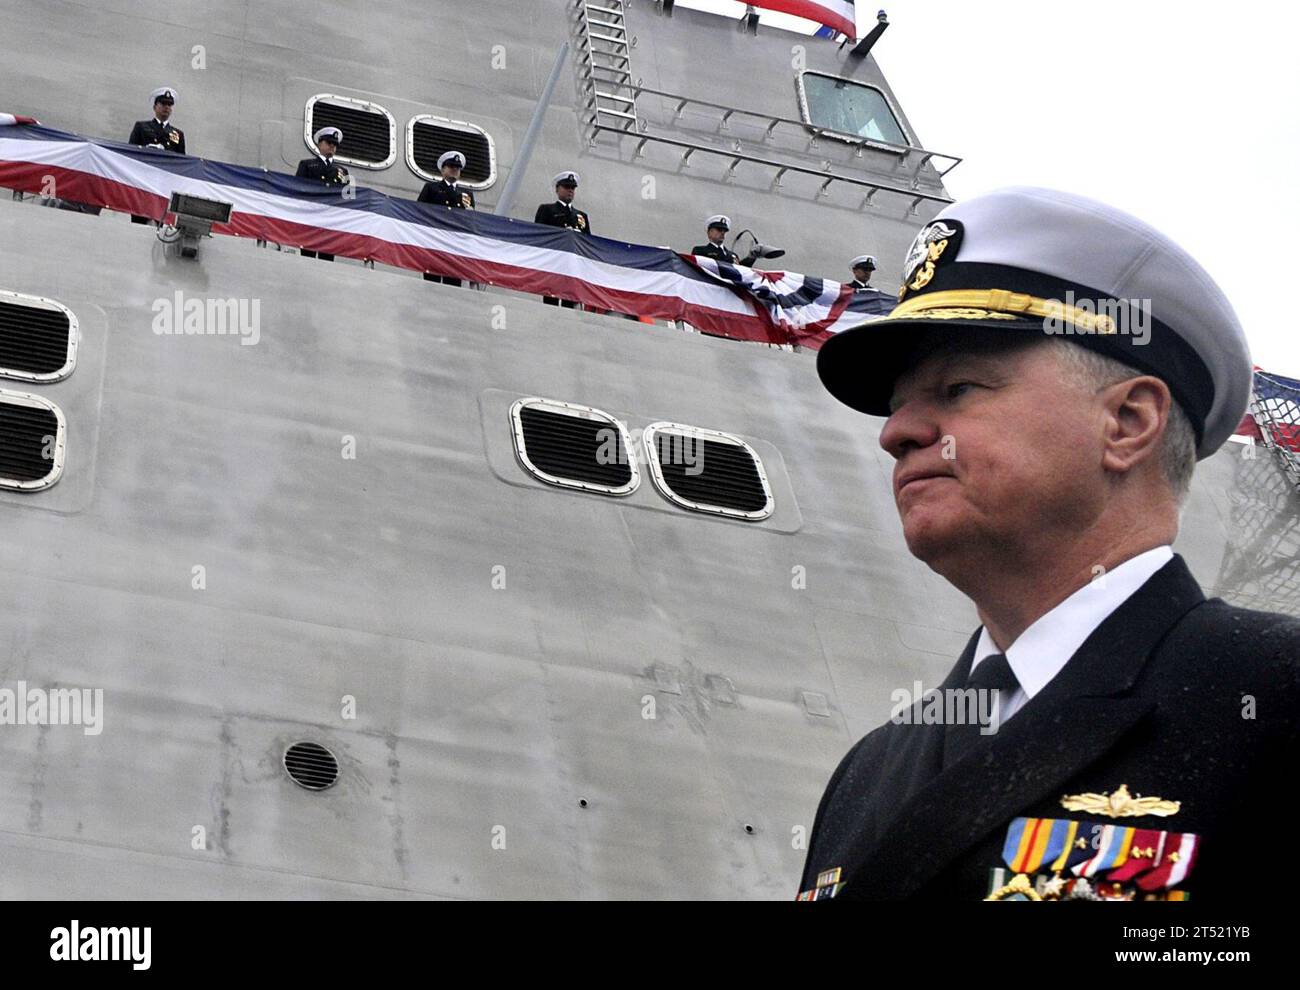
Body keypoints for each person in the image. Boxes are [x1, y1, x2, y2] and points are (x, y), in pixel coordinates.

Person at [800, 186, 1300, 903]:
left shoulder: (1274, 696)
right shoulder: (868, 770)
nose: (896, 433)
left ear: (1127, 421)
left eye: (959, 388)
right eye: (898, 405)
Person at [128, 86, 186, 224]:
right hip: (144, 181)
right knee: (139, 219)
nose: (167, 107)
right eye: (163, 104)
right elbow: (130, 153)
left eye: (169, 105)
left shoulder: (177, 134)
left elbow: (182, 162)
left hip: (164, 184)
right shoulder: (142, 127)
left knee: (162, 222)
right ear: (155, 107)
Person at [418, 150, 475, 286]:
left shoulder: (466, 194)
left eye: (457, 168)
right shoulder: (432, 188)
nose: (455, 170)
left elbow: (471, 219)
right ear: (443, 170)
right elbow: (419, 212)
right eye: (451, 167)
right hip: (434, 242)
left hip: (455, 245)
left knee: (453, 284)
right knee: (431, 283)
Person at [534, 170, 590, 307]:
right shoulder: (547, 210)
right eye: (566, 187)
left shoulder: (581, 216)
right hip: (553, 262)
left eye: (572, 188)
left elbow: (588, 241)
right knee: (550, 301)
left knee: (569, 302)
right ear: (557, 189)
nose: (570, 191)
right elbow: (539, 234)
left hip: (572, 265)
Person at [295, 126, 350, 260]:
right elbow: (298, 188)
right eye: (329, 143)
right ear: (320, 144)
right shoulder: (307, 165)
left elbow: (348, 196)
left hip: (331, 219)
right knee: (308, 254)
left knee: (328, 255)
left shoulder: (343, 171)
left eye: (334, 145)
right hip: (311, 216)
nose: (332, 147)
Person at [690, 215, 758, 266]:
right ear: (709, 232)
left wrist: (752, 257)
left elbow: (742, 272)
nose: (722, 233)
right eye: (719, 230)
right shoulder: (700, 251)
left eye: (724, 231)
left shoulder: (733, 255)